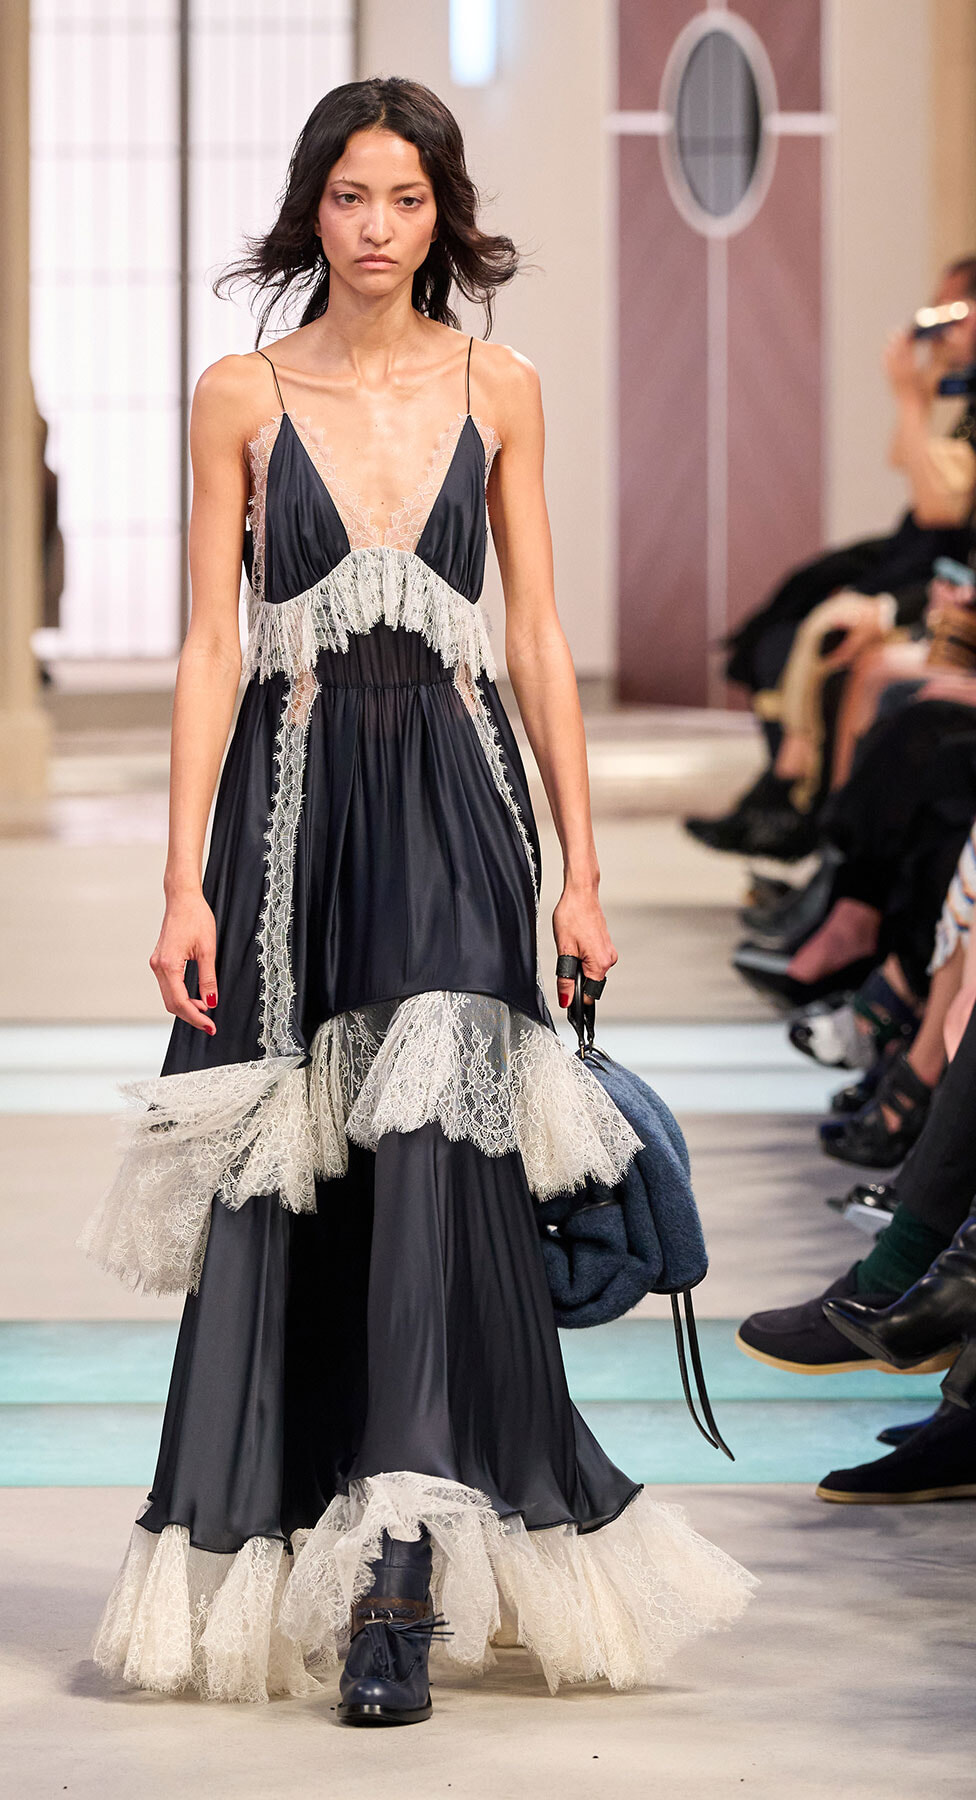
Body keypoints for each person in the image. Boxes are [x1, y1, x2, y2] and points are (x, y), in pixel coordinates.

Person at [79, 77, 753, 1720]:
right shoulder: (239, 392)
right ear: (309, 210)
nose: (377, 230)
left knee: (445, 1165)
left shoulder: (499, 384)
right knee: (302, 1192)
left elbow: (532, 638)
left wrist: (587, 868)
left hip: (457, 805)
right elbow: (206, 646)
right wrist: (179, 880)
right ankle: (321, 1521)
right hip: (286, 825)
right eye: (348, 198)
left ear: (444, 211)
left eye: (406, 199)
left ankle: (399, 1573)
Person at [688, 256, 976, 859]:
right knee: (784, 619)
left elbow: (940, 509)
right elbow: (907, 460)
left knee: (831, 640)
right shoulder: (957, 387)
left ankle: (807, 816)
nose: (940, 326)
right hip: (923, 554)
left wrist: (907, 397)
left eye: (954, 312)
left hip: (941, 563)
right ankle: (790, 807)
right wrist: (919, 389)